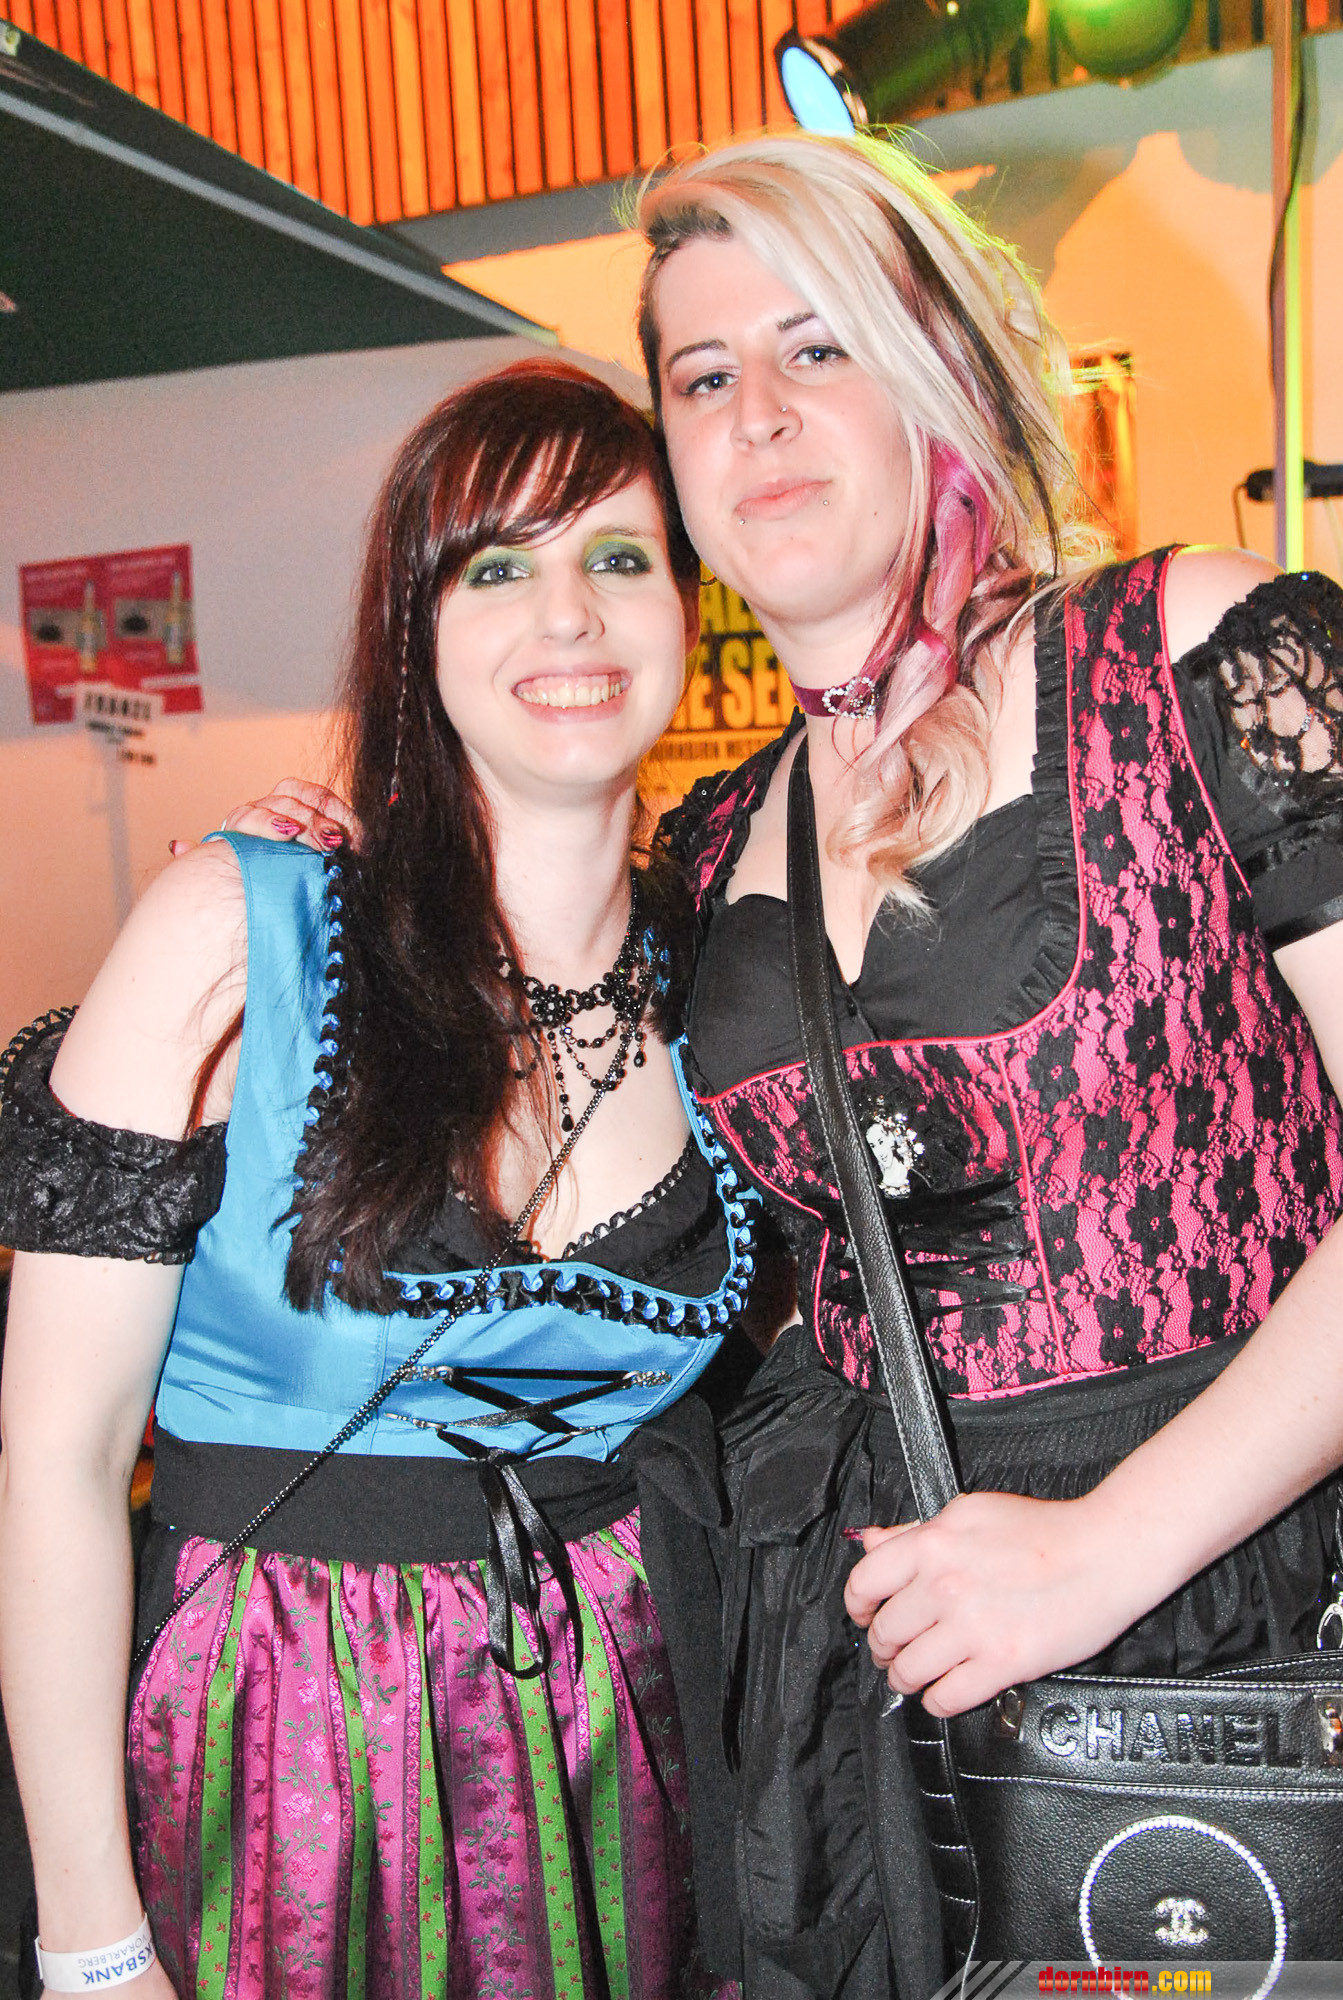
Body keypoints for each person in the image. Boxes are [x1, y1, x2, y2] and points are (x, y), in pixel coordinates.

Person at [189, 131, 1343, 1998]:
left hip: (1232, 1613)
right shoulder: (711, 842)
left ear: (942, 372)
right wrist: (320, 871)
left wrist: (1106, 1551)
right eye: (706, 376)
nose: (763, 418)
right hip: (849, 1668)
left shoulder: (1199, 650)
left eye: (820, 347)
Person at [0, 360, 762, 1998]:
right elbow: (56, 1462)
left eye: (618, 557)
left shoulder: (726, 973)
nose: (569, 613)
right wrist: (91, 1944)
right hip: (280, 1747)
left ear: (689, 612)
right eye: (496, 568)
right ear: (414, 631)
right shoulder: (239, 935)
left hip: (625, 1748)